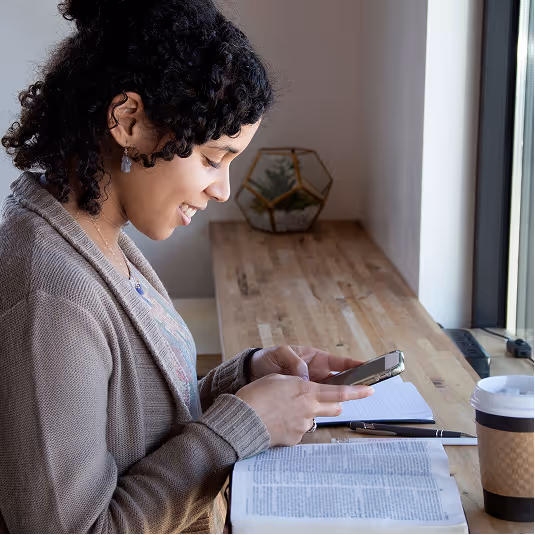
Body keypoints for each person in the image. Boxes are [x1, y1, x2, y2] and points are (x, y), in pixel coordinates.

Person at [0, 1, 374, 533]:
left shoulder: (93, 234)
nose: (222, 189)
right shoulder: (52, 298)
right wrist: (244, 424)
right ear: (128, 121)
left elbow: (127, 433)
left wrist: (242, 379)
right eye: (212, 158)